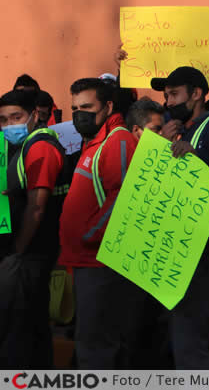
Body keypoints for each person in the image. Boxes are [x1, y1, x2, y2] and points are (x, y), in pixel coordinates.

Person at [151, 66, 209, 369]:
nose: (168, 102)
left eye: (174, 94)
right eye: (166, 96)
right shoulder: (177, 129)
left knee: (191, 334)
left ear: (197, 94)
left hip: (203, 242)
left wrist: (197, 158)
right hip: (177, 241)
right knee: (180, 331)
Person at [58, 78, 138, 368]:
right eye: (75, 108)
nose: (80, 114)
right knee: (91, 342)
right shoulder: (95, 141)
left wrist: (90, 234)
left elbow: (124, 196)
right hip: (84, 260)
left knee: (97, 347)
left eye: (87, 107)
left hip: (100, 262)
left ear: (108, 106)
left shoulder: (117, 140)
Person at [0, 90, 67, 367]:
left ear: (34, 115)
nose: (9, 125)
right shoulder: (19, 147)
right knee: (32, 326)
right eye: (3, 120)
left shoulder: (39, 147)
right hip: (25, 253)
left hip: (29, 253)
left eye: (16, 117)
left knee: (17, 329)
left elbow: (36, 207)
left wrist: (17, 251)